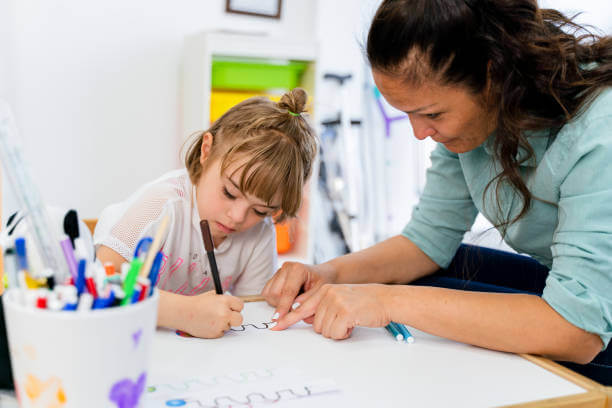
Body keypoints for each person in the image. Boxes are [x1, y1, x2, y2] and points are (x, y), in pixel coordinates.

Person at [263, 0, 612, 384]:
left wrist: (383, 301)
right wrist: (328, 273)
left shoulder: (600, 127)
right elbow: (427, 242)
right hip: (570, 288)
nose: (419, 133)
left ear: (492, 74)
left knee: (403, 297)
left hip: (592, 325)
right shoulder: (480, 118)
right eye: (408, 114)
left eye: (432, 114)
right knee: (434, 272)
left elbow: (579, 331)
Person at [95, 88, 317, 339]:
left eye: (260, 210)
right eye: (229, 193)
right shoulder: (160, 205)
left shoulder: (259, 233)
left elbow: (255, 314)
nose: (237, 217)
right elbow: (102, 284)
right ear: (206, 150)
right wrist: (183, 313)